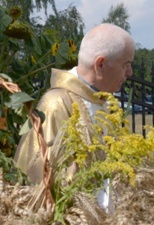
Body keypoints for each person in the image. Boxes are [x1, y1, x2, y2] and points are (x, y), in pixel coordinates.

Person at [14, 23, 135, 209]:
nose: (130, 73)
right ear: (100, 65)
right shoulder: (56, 104)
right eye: (126, 65)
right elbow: (42, 178)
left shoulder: (108, 102)